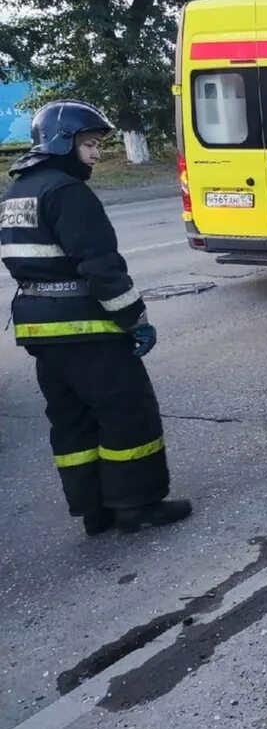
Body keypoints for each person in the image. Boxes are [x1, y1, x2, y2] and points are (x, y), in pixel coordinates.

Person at [0, 99, 191, 534]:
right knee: (126, 411)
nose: (95, 155)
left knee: (72, 419)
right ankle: (137, 505)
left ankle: (94, 510)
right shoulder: (67, 192)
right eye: (88, 145)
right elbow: (101, 265)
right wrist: (135, 319)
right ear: (62, 142)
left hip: (40, 329)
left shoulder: (18, 193)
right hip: (88, 327)